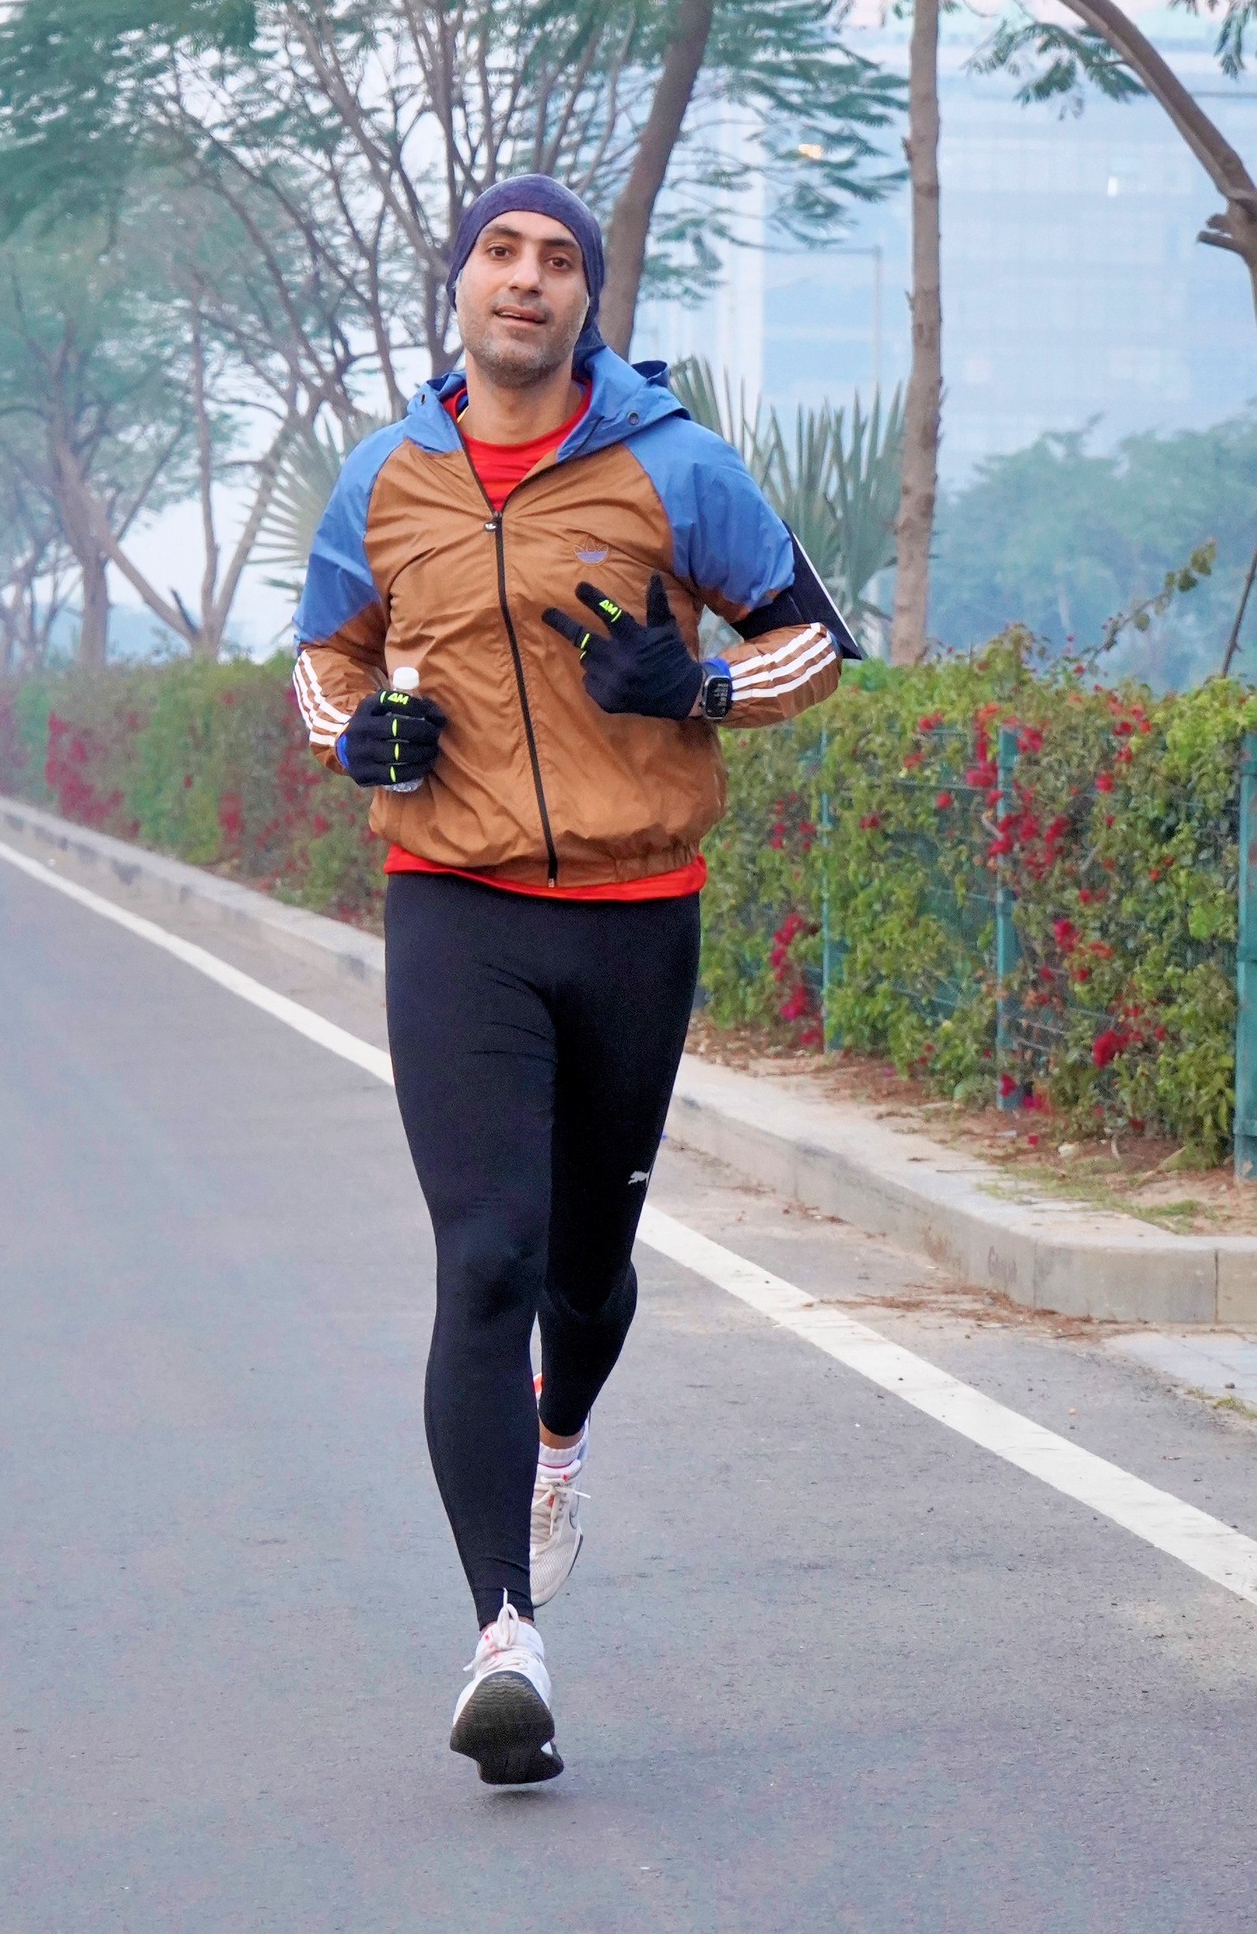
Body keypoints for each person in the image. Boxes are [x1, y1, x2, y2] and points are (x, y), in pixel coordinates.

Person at [293, 175, 841, 1787]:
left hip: (632, 913)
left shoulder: (677, 465)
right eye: (500, 254)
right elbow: (323, 659)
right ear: (459, 288)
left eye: (557, 261)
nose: (525, 280)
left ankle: (558, 1436)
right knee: (486, 1259)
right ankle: (503, 1637)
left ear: (588, 301)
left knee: (585, 1279)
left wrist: (703, 685)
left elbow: (816, 642)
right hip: (454, 905)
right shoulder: (386, 477)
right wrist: (357, 738)